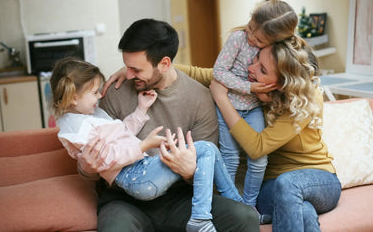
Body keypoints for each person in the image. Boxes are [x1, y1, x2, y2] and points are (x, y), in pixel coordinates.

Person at [76, 19, 259, 232]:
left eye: (136, 69)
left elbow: (206, 168)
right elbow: (95, 159)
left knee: (244, 217)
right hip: (125, 200)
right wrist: (87, 169)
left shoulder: (199, 98)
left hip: (179, 199)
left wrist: (190, 172)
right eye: (126, 67)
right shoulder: (114, 94)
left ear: (164, 64)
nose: (127, 75)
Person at [50, 57, 246, 232]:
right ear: (74, 98)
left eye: (136, 69)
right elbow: (108, 158)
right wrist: (143, 146)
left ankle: (234, 204)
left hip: (162, 188)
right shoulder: (76, 127)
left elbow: (121, 133)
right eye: (94, 92)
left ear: (164, 63)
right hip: (134, 179)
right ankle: (200, 218)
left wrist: (141, 110)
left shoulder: (89, 115)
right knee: (204, 149)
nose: (100, 96)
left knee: (209, 151)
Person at [179, 36, 341, 231]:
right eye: (255, 59)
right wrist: (155, 67)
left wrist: (221, 98)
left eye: (262, 69)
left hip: (319, 180)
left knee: (288, 184)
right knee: (303, 211)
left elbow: (257, 148)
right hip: (271, 186)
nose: (251, 68)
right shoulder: (248, 84)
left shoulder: (305, 99)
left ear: (283, 84)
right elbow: (199, 73)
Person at [212, 0, 296, 210]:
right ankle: (230, 207)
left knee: (259, 161)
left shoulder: (274, 53)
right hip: (228, 107)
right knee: (230, 158)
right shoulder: (238, 39)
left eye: (258, 40)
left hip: (253, 109)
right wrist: (248, 88)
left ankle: (249, 206)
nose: (251, 38)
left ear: (273, 42)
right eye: (250, 28)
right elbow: (218, 72)